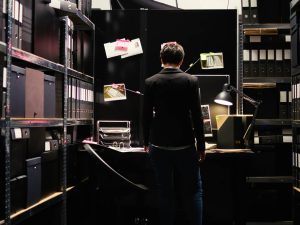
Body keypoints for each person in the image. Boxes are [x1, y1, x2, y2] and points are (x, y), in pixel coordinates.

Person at [143, 42, 206, 225]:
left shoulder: (151, 82)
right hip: (185, 146)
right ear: (182, 60)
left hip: (159, 145)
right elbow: (197, 116)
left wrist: (146, 141)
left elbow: (146, 115)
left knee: (165, 192)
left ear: (161, 59)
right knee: (194, 191)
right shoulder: (191, 81)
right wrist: (201, 146)